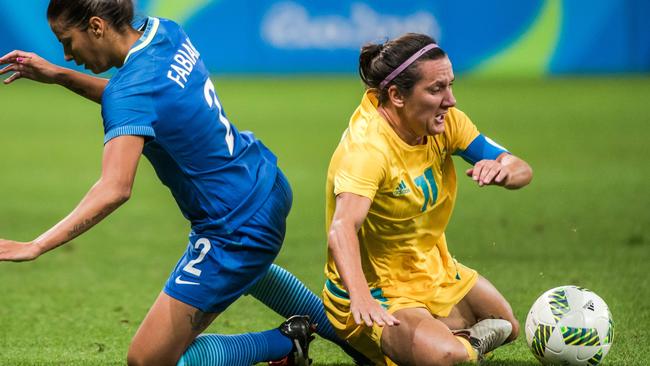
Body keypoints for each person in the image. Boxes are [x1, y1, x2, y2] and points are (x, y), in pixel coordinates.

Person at [0, 1, 369, 365]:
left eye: (67, 41)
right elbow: (143, 98)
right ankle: (361, 343)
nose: (66, 55)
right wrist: (60, 77)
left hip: (235, 227)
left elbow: (114, 188)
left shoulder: (129, 93)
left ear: (96, 26)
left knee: (148, 360)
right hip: (263, 181)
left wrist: (36, 245)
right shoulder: (166, 33)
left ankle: (288, 343)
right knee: (248, 270)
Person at [322, 33, 533, 366]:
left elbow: (522, 169)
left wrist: (504, 170)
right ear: (396, 96)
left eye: (450, 85)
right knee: (444, 356)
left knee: (508, 325)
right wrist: (361, 298)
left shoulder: (444, 123)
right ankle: (420, 342)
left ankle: (419, 342)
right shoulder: (368, 150)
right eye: (436, 89)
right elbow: (342, 227)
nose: (450, 100)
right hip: (378, 289)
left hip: (433, 268)